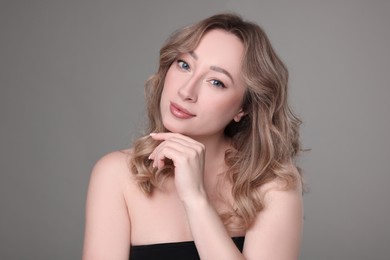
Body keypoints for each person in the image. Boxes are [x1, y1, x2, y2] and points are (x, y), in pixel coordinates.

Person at [82, 13, 304, 260]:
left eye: (216, 82)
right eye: (184, 65)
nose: (186, 90)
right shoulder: (117, 174)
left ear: (244, 108)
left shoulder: (271, 185)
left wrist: (196, 200)